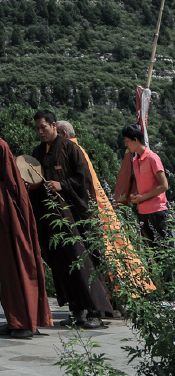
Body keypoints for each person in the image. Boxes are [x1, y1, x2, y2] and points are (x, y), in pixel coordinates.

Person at [0, 105, 53, 337]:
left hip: (10, 218)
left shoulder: (1, 147)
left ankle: (25, 322)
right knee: (2, 271)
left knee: (15, 268)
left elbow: (14, 187)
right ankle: (13, 319)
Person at [29, 110, 113, 328]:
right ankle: (77, 310)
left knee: (83, 261)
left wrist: (62, 184)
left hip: (74, 215)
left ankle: (96, 311)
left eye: (43, 127)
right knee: (62, 264)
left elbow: (83, 178)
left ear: (54, 125)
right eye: (37, 128)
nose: (40, 132)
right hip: (51, 218)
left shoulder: (70, 148)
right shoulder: (37, 153)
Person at [57, 121, 150, 298]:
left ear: (63, 133)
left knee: (107, 252)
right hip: (99, 206)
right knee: (115, 249)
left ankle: (122, 294)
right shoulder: (76, 149)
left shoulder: (72, 150)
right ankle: (129, 292)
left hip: (93, 208)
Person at [120, 124, 170, 247]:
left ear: (135, 140)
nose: (126, 144)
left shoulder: (153, 158)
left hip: (157, 211)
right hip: (143, 212)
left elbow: (164, 185)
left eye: (127, 141)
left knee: (165, 252)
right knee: (150, 256)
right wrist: (137, 195)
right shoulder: (134, 160)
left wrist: (143, 197)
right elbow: (144, 185)